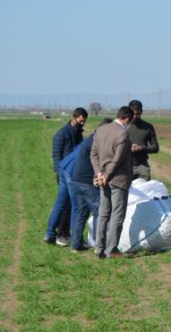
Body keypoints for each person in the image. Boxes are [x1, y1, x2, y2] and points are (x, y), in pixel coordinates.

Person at [91, 107, 134, 259]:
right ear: (127, 119)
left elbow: (93, 154)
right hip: (117, 179)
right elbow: (117, 159)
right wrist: (107, 175)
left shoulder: (101, 130)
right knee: (117, 214)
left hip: (103, 178)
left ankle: (99, 248)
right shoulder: (122, 133)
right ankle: (111, 249)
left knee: (103, 213)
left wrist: (99, 173)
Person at [44, 107, 88, 246]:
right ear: (73, 118)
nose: (82, 124)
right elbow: (56, 156)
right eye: (80, 121)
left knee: (63, 204)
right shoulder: (61, 134)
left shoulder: (78, 134)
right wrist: (61, 172)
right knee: (73, 206)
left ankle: (54, 234)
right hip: (66, 173)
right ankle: (72, 238)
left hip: (73, 172)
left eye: (84, 122)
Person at [70, 118, 113, 252]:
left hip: (76, 180)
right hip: (86, 182)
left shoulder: (91, 138)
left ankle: (76, 245)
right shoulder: (97, 142)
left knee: (80, 213)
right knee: (99, 212)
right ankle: (98, 244)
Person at [128, 100, 159, 180]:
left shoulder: (148, 127)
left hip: (142, 167)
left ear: (141, 112)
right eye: (133, 114)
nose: (135, 116)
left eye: (137, 114)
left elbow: (155, 148)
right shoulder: (122, 126)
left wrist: (142, 148)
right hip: (125, 167)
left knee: (144, 191)